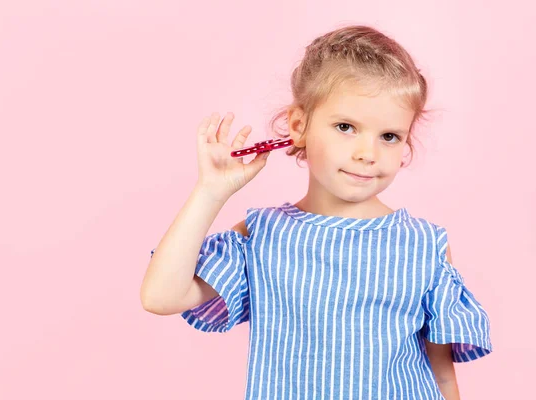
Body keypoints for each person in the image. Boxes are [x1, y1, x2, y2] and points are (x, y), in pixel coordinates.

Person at [140, 24, 492, 399]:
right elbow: (161, 296)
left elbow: (441, 377)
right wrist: (210, 192)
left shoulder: (424, 245)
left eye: (389, 136)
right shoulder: (265, 236)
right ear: (298, 125)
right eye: (346, 127)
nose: (367, 153)